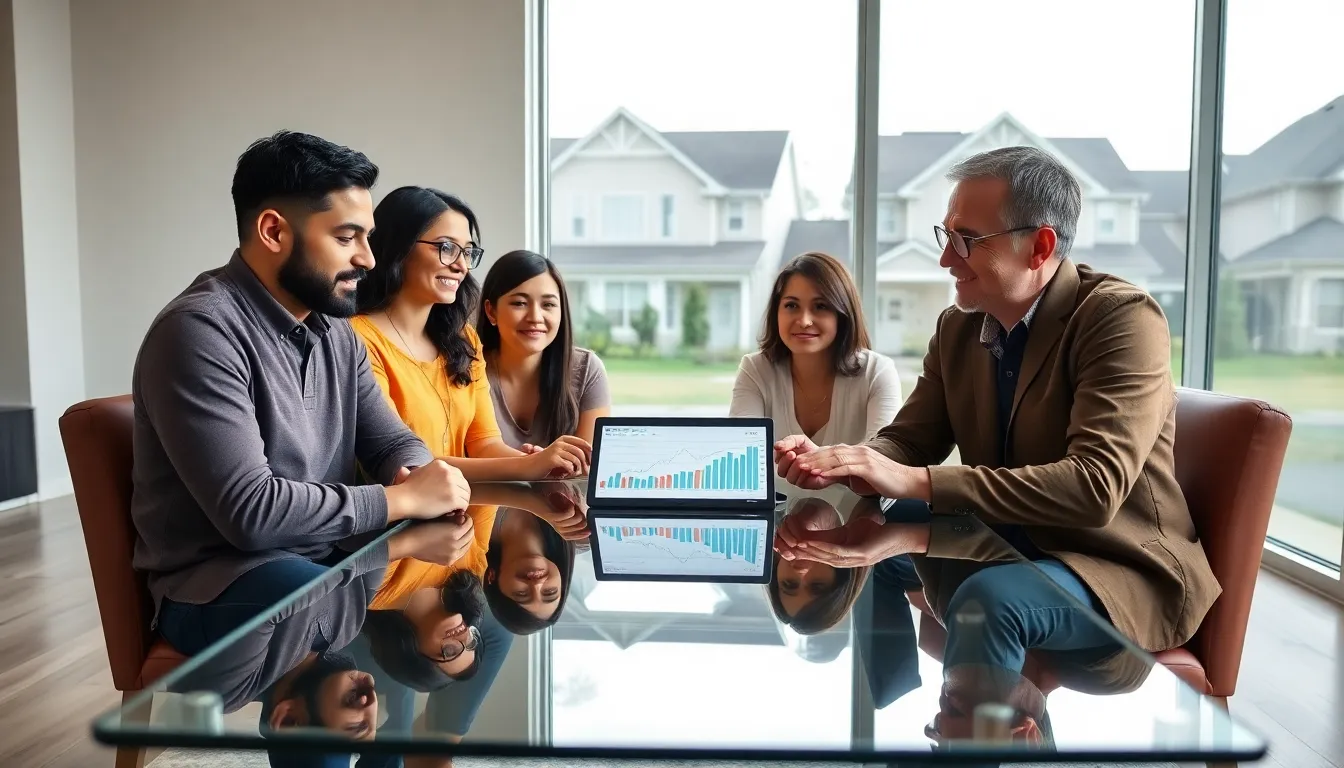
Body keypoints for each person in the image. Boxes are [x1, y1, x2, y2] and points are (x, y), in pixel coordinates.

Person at [773, 146, 1220, 675]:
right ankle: (883, 726)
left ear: (1039, 246)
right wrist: (846, 461)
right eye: (947, 236)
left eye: (965, 240)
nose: (945, 259)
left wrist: (913, 481)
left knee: (990, 599)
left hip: (1111, 565)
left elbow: (1094, 489)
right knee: (872, 539)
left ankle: (980, 743)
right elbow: (910, 441)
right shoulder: (957, 328)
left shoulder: (1121, 319)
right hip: (1005, 537)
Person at [131, 131, 471, 655]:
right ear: (273, 231)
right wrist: (401, 501)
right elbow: (253, 513)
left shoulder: (337, 333)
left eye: (368, 237)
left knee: (368, 592)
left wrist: (417, 473)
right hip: (226, 586)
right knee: (316, 597)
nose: (368, 259)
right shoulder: (198, 332)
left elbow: (390, 443)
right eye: (346, 237)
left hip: (321, 561)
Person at [353, 187, 591, 481]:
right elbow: (404, 463)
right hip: (410, 524)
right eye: (446, 248)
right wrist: (529, 465)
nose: (461, 266)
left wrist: (546, 463)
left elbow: (484, 444)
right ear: (398, 247)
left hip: (476, 521)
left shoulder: (463, 340)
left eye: (467, 252)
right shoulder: (357, 340)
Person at [730, 251, 902, 447]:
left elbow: (882, 463)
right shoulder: (755, 369)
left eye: (820, 306)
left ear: (843, 314)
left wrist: (820, 460)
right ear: (776, 312)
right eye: (791, 305)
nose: (804, 321)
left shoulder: (877, 372)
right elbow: (742, 457)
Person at [477, 249, 611, 450]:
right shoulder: (467, 371)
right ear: (491, 311)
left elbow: (588, 468)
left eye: (548, 304)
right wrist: (536, 465)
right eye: (520, 303)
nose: (535, 317)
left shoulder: (587, 370)